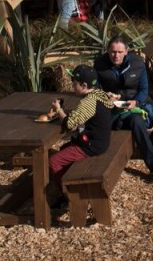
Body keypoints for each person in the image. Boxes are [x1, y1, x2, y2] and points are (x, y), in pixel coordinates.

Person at [93, 35, 153, 181]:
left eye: (119, 52)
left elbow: (144, 89)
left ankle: (150, 150)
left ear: (126, 51)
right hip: (114, 108)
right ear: (108, 51)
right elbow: (95, 89)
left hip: (139, 101)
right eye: (112, 52)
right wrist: (105, 95)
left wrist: (136, 102)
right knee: (136, 121)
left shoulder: (137, 63)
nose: (116, 55)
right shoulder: (99, 64)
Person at [46, 65, 114, 208]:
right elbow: (80, 120)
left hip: (92, 145)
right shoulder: (99, 94)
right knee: (64, 148)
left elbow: (69, 124)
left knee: (53, 162)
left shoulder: (88, 102)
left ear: (84, 85)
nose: (72, 85)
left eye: (74, 82)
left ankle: (68, 197)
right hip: (101, 141)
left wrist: (59, 110)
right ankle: (68, 185)